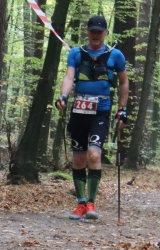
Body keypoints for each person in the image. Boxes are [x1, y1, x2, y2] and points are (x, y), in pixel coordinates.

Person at [55, 15, 129, 220]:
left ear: (106, 33)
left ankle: (91, 203)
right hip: (79, 110)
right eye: (92, 31)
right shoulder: (76, 53)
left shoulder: (115, 55)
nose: (95, 35)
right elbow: (69, 76)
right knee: (79, 157)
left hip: (101, 111)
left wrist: (122, 108)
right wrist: (62, 96)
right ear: (87, 32)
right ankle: (80, 203)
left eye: (99, 31)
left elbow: (124, 82)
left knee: (94, 155)